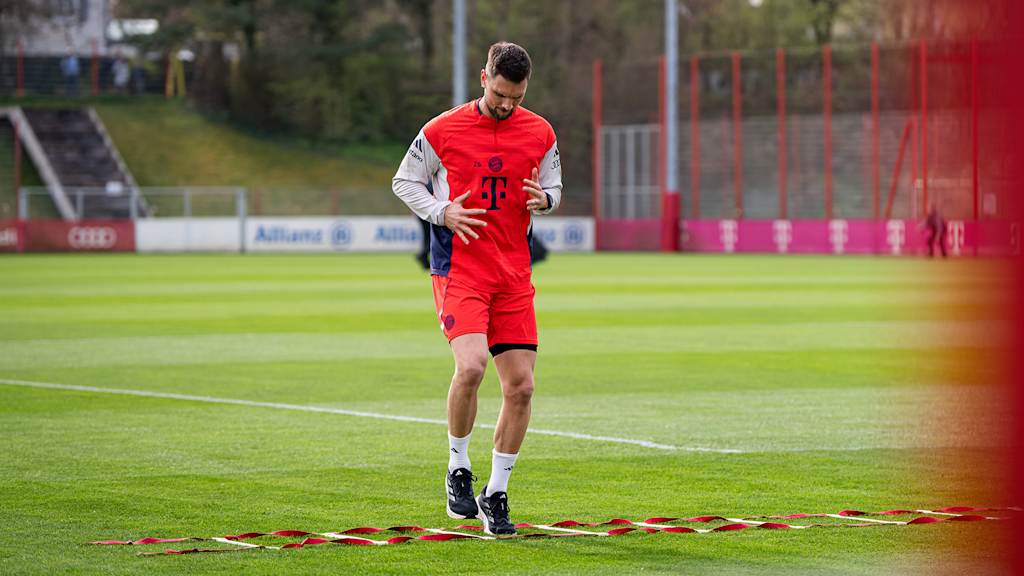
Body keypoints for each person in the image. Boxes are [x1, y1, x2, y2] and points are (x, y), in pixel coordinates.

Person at [392, 42, 562, 536]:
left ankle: (496, 492)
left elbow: (554, 186)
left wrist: (545, 200)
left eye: (517, 96)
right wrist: (441, 212)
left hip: (513, 275)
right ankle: (458, 469)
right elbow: (405, 182)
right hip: (460, 270)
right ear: (483, 76)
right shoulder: (441, 129)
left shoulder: (541, 131)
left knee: (522, 386)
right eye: (501, 93)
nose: (507, 105)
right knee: (471, 366)